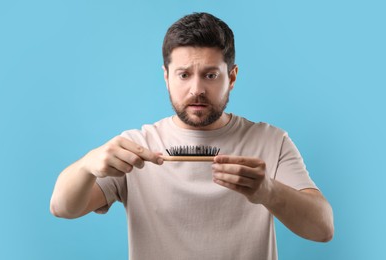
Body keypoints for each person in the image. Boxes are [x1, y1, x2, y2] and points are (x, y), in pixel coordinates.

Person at [50, 12, 334, 260]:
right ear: (166, 76)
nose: (196, 89)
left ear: (232, 77)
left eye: (210, 75)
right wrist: (88, 164)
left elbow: (323, 229)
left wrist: (269, 192)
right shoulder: (136, 146)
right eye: (184, 75)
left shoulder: (271, 141)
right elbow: (62, 207)